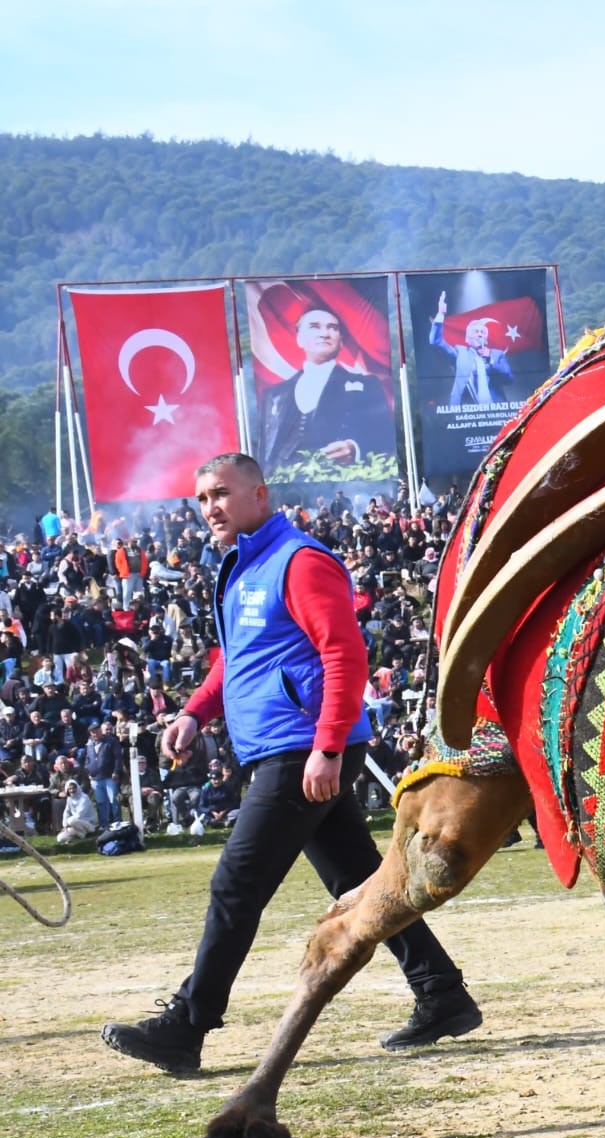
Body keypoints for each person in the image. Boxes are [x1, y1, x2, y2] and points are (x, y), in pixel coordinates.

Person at [102, 452, 480, 1077]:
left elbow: (345, 654)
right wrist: (195, 712)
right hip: (288, 747)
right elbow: (235, 658)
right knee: (359, 877)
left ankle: (189, 1024)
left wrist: (328, 746)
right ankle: (441, 992)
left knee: (236, 884)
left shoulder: (298, 560)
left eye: (221, 493)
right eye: (201, 498)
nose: (210, 507)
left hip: (302, 749)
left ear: (259, 493)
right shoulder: (243, 566)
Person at [254, 309, 395, 473]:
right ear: (300, 339)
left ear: (341, 341)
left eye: (332, 328)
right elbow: (265, 449)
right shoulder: (274, 395)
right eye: (315, 327)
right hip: (283, 485)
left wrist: (355, 448)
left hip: (342, 479)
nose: (325, 334)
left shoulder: (367, 386)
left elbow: (384, 437)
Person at [428, 291, 517, 406]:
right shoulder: (460, 352)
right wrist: (440, 314)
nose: (480, 334)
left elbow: (509, 379)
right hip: (466, 412)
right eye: (475, 331)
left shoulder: (497, 354)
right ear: (467, 338)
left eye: (483, 332)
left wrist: (490, 360)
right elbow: (436, 341)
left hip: (495, 411)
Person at [55, 778, 98, 843]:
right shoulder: (69, 799)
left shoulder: (84, 798)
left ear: (77, 788)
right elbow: (66, 812)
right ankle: (79, 835)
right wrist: (65, 825)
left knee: (71, 820)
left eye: (73, 788)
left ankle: (83, 834)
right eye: (69, 789)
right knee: (60, 838)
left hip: (89, 824)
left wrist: (68, 823)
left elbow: (80, 814)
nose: (72, 790)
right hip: (75, 825)